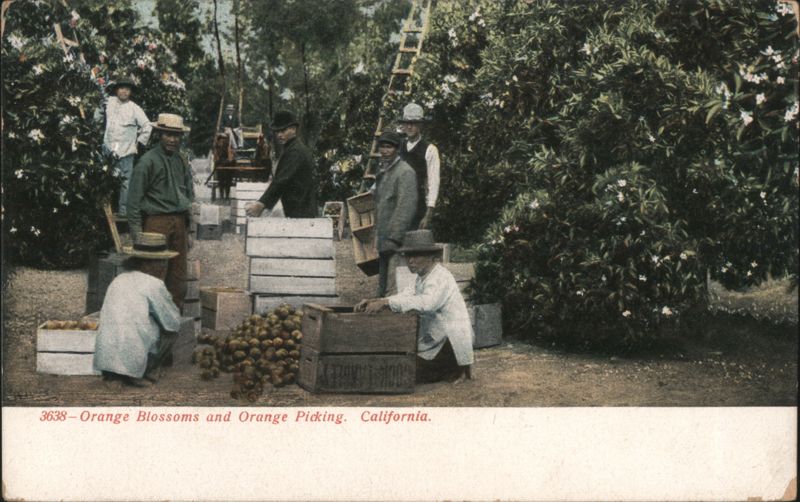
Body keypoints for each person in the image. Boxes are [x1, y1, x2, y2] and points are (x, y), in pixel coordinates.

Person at [355, 230, 474, 383]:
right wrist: (377, 301)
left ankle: (454, 370)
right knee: (398, 363)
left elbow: (427, 303)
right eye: (408, 256)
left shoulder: (440, 277)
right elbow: (406, 295)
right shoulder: (423, 277)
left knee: (402, 373)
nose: (410, 261)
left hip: (450, 344)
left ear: (432, 257)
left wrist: (386, 303)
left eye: (416, 255)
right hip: (435, 338)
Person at [93, 232, 182, 388]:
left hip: (106, 356)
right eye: (161, 262)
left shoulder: (118, 279)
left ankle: (114, 375)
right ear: (147, 264)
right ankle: (144, 371)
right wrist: (170, 302)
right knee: (171, 332)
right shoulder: (154, 284)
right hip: (134, 353)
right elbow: (172, 322)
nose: (163, 267)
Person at [127, 113, 193, 309]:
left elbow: (187, 195)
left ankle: (174, 324)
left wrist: (188, 229)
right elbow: (133, 201)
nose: (173, 140)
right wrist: (137, 234)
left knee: (178, 276)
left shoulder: (180, 160)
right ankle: (149, 322)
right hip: (156, 224)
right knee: (153, 274)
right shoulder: (147, 161)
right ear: (159, 134)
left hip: (179, 222)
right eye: (168, 135)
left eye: (177, 135)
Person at [245, 111, 317, 218]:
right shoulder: (293, 148)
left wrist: (260, 204)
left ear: (293, 129)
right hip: (299, 208)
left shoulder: (295, 151)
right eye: (277, 131)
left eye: (283, 130)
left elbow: (281, 181)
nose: (279, 135)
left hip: (300, 211)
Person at [373, 130, 418, 297]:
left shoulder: (405, 172)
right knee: (383, 285)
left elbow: (406, 207)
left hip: (396, 239)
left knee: (395, 286)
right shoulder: (385, 171)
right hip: (384, 235)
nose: (384, 151)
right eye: (382, 147)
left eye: (389, 147)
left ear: (397, 149)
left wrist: (394, 237)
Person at [102, 75, 152, 216]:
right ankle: (106, 211)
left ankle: (123, 211)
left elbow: (147, 126)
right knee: (106, 179)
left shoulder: (134, 109)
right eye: (121, 88)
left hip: (126, 151)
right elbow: (99, 113)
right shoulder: (109, 102)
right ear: (116, 90)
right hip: (108, 149)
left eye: (127, 89)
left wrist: (139, 143)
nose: (124, 91)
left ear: (131, 92)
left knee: (125, 181)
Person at [399, 102, 440, 230]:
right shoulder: (398, 148)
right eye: (407, 123)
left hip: (418, 207)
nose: (410, 127)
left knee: (417, 246)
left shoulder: (430, 150)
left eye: (414, 123)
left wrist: (428, 214)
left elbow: (433, 183)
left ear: (420, 125)